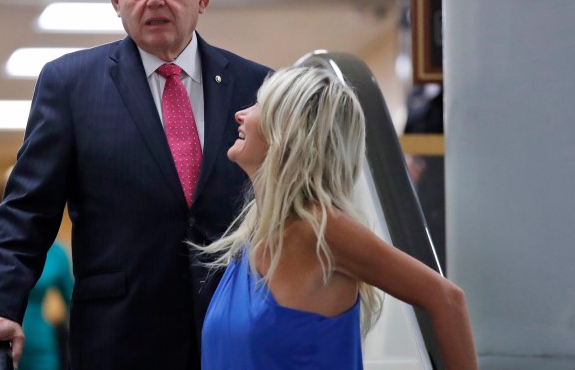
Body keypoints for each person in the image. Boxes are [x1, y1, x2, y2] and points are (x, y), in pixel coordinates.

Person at [0, 0, 270, 369]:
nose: (154, 0)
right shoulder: (71, 84)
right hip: (119, 339)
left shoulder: (258, 87)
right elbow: (28, 210)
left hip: (239, 333)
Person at [198, 66, 478, 368]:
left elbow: (447, 300)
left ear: (288, 130)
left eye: (259, 105)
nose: (241, 114)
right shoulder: (252, 235)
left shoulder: (319, 229)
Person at [18, 241, 74, 370]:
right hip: (0, 342)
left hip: (40, 347)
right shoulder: (1, 245)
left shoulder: (56, 254)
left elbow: (72, 303)